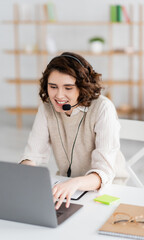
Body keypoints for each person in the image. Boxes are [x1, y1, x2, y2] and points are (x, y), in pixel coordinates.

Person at [20, 52, 128, 210]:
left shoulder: (103, 108)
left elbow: (103, 173)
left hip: (108, 190)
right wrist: (26, 173)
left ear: (82, 87)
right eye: (53, 87)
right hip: (68, 188)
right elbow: (32, 155)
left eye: (68, 88)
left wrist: (75, 183)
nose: (59, 95)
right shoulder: (46, 109)